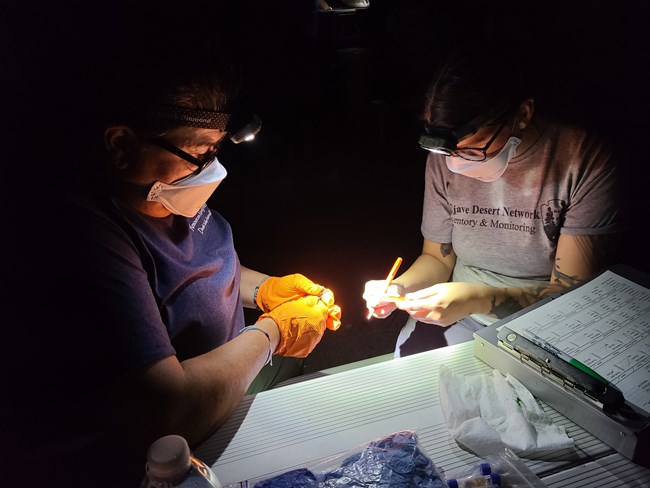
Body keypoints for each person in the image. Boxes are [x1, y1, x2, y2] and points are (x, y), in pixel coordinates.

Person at [5, 24, 341, 488]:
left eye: (217, 149)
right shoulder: (87, 235)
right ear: (122, 145)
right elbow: (168, 409)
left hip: (234, 395)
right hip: (185, 446)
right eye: (200, 151)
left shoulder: (164, 189)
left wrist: (262, 288)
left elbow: (188, 269)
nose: (210, 168)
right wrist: (273, 333)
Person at [363, 43, 625, 357]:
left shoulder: (581, 159)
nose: (458, 164)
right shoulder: (442, 158)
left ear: (523, 114)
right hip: (457, 310)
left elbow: (570, 294)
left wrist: (477, 298)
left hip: (545, 320)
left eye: (474, 150)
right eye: (449, 152)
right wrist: (400, 289)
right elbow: (437, 259)